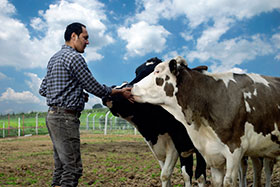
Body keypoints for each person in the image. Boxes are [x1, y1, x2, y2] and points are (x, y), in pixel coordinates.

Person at [39, 22, 133, 187]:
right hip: (65, 118)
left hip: (52, 116)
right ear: (73, 36)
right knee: (72, 168)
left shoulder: (54, 58)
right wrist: (118, 91)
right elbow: (94, 87)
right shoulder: (75, 58)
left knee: (61, 167)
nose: (88, 42)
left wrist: (76, 93)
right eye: (85, 37)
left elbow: (43, 89)